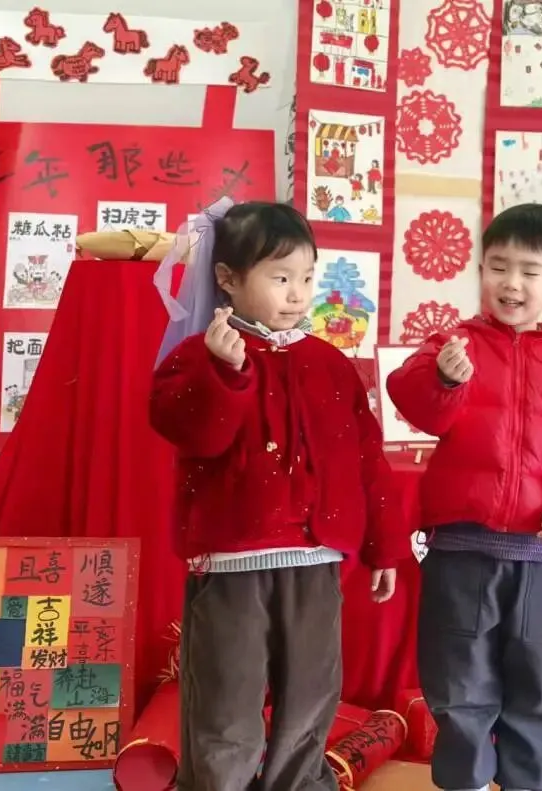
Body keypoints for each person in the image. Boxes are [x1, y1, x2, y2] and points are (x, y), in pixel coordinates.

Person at [150, 199, 407, 791]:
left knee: (312, 694)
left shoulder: (330, 364)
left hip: (316, 560)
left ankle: (299, 783)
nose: (298, 294)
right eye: (280, 277)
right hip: (231, 562)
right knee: (227, 698)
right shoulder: (196, 357)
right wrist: (224, 373)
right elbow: (194, 433)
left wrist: (385, 546)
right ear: (228, 278)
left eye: (307, 278)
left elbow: (366, 459)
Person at [388, 203, 542, 791]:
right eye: (498, 267)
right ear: (480, 271)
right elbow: (411, 399)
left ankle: (530, 782)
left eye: (528, 270)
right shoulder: (455, 345)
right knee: (459, 677)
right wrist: (444, 380)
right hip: (460, 547)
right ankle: (466, 781)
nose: (511, 283)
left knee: (535, 681)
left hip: (540, 553)